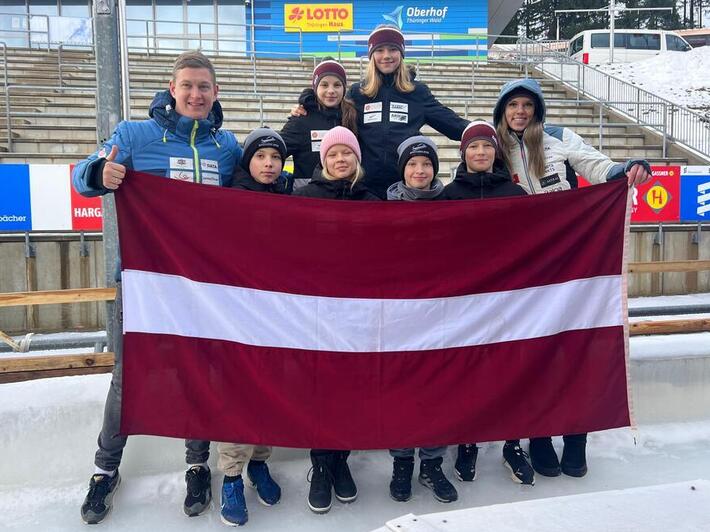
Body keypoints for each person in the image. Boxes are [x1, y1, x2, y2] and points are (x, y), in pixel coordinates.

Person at [71, 51, 241, 525]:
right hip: (146, 284)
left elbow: (252, 197)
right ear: (172, 89)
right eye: (187, 85)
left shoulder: (227, 146)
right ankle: (105, 469)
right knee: (129, 376)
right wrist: (97, 174)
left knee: (201, 372)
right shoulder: (134, 135)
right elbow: (82, 177)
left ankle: (196, 464)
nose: (195, 95)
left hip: (205, 288)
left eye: (204, 87)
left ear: (216, 92)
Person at [491, 77, 651, 479]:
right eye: (513, 105)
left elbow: (595, 165)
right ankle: (540, 435)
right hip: (525, 270)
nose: (520, 112)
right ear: (502, 111)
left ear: (537, 110)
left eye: (527, 105)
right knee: (534, 353)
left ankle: (576, 437)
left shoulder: (560, 138)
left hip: (570, 262)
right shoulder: (495, 147)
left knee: (575, 348)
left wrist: (623, 169)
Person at [442, 120, 534, 486]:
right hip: (463, 302)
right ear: (463, 153)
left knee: (510, 370)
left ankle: (513, 443)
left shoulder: (514, 194)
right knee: (467, 372)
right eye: (473, 146)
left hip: (506, 300)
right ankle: (468, 440)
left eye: (487, 146)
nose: (480, 152)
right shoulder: (449, 195)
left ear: (496, 151)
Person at [293, 126, 378, 514]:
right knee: (319, 389)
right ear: (323, 160)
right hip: (317, 310)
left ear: (357, 158)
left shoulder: (372, 200)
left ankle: (341, 460)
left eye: (347, 153)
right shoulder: (304, 198)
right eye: (333, 154)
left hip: (358, 311)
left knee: (350, 388)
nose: (340, 159)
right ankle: (321, 464)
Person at [217, 128, 288, 527]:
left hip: (276, 313)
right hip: (239, 315)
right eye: (261, 156)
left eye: (275, 158)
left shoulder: (288, 197)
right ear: (248, 161)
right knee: (239, 393)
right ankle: (231, 476)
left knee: (270, 390)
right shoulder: (230, 198)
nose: (268, 164)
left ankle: (260, 463)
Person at [386, 135, 456, 503]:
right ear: (402, 170)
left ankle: (432, 463)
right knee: (402, 390)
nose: (419, 170)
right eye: (412, 164)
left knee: (437, 390)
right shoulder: (382, 207)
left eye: (426, 164)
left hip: (439, 314)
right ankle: (401, 462)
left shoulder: (451, 205)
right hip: (397, 315)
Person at [348, 24, 469, 198]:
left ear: (402, 53)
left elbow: (453, 124)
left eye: (393, 49)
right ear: (371, 54)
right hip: (365, 189)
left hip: (405, 191)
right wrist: (310, 105)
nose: (386, 56)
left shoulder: (417, 92)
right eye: (380, 50)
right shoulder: (357, 93)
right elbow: (333, 121)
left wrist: (485, 130)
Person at [280, 58, 357, 191]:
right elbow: (277, 150)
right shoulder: (301, 119)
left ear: (344, 89)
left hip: (345, 194)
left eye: (337, 85)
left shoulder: (353, 116)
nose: (331, 90)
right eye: (324, 85)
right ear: (315, 88)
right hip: (309, 196)